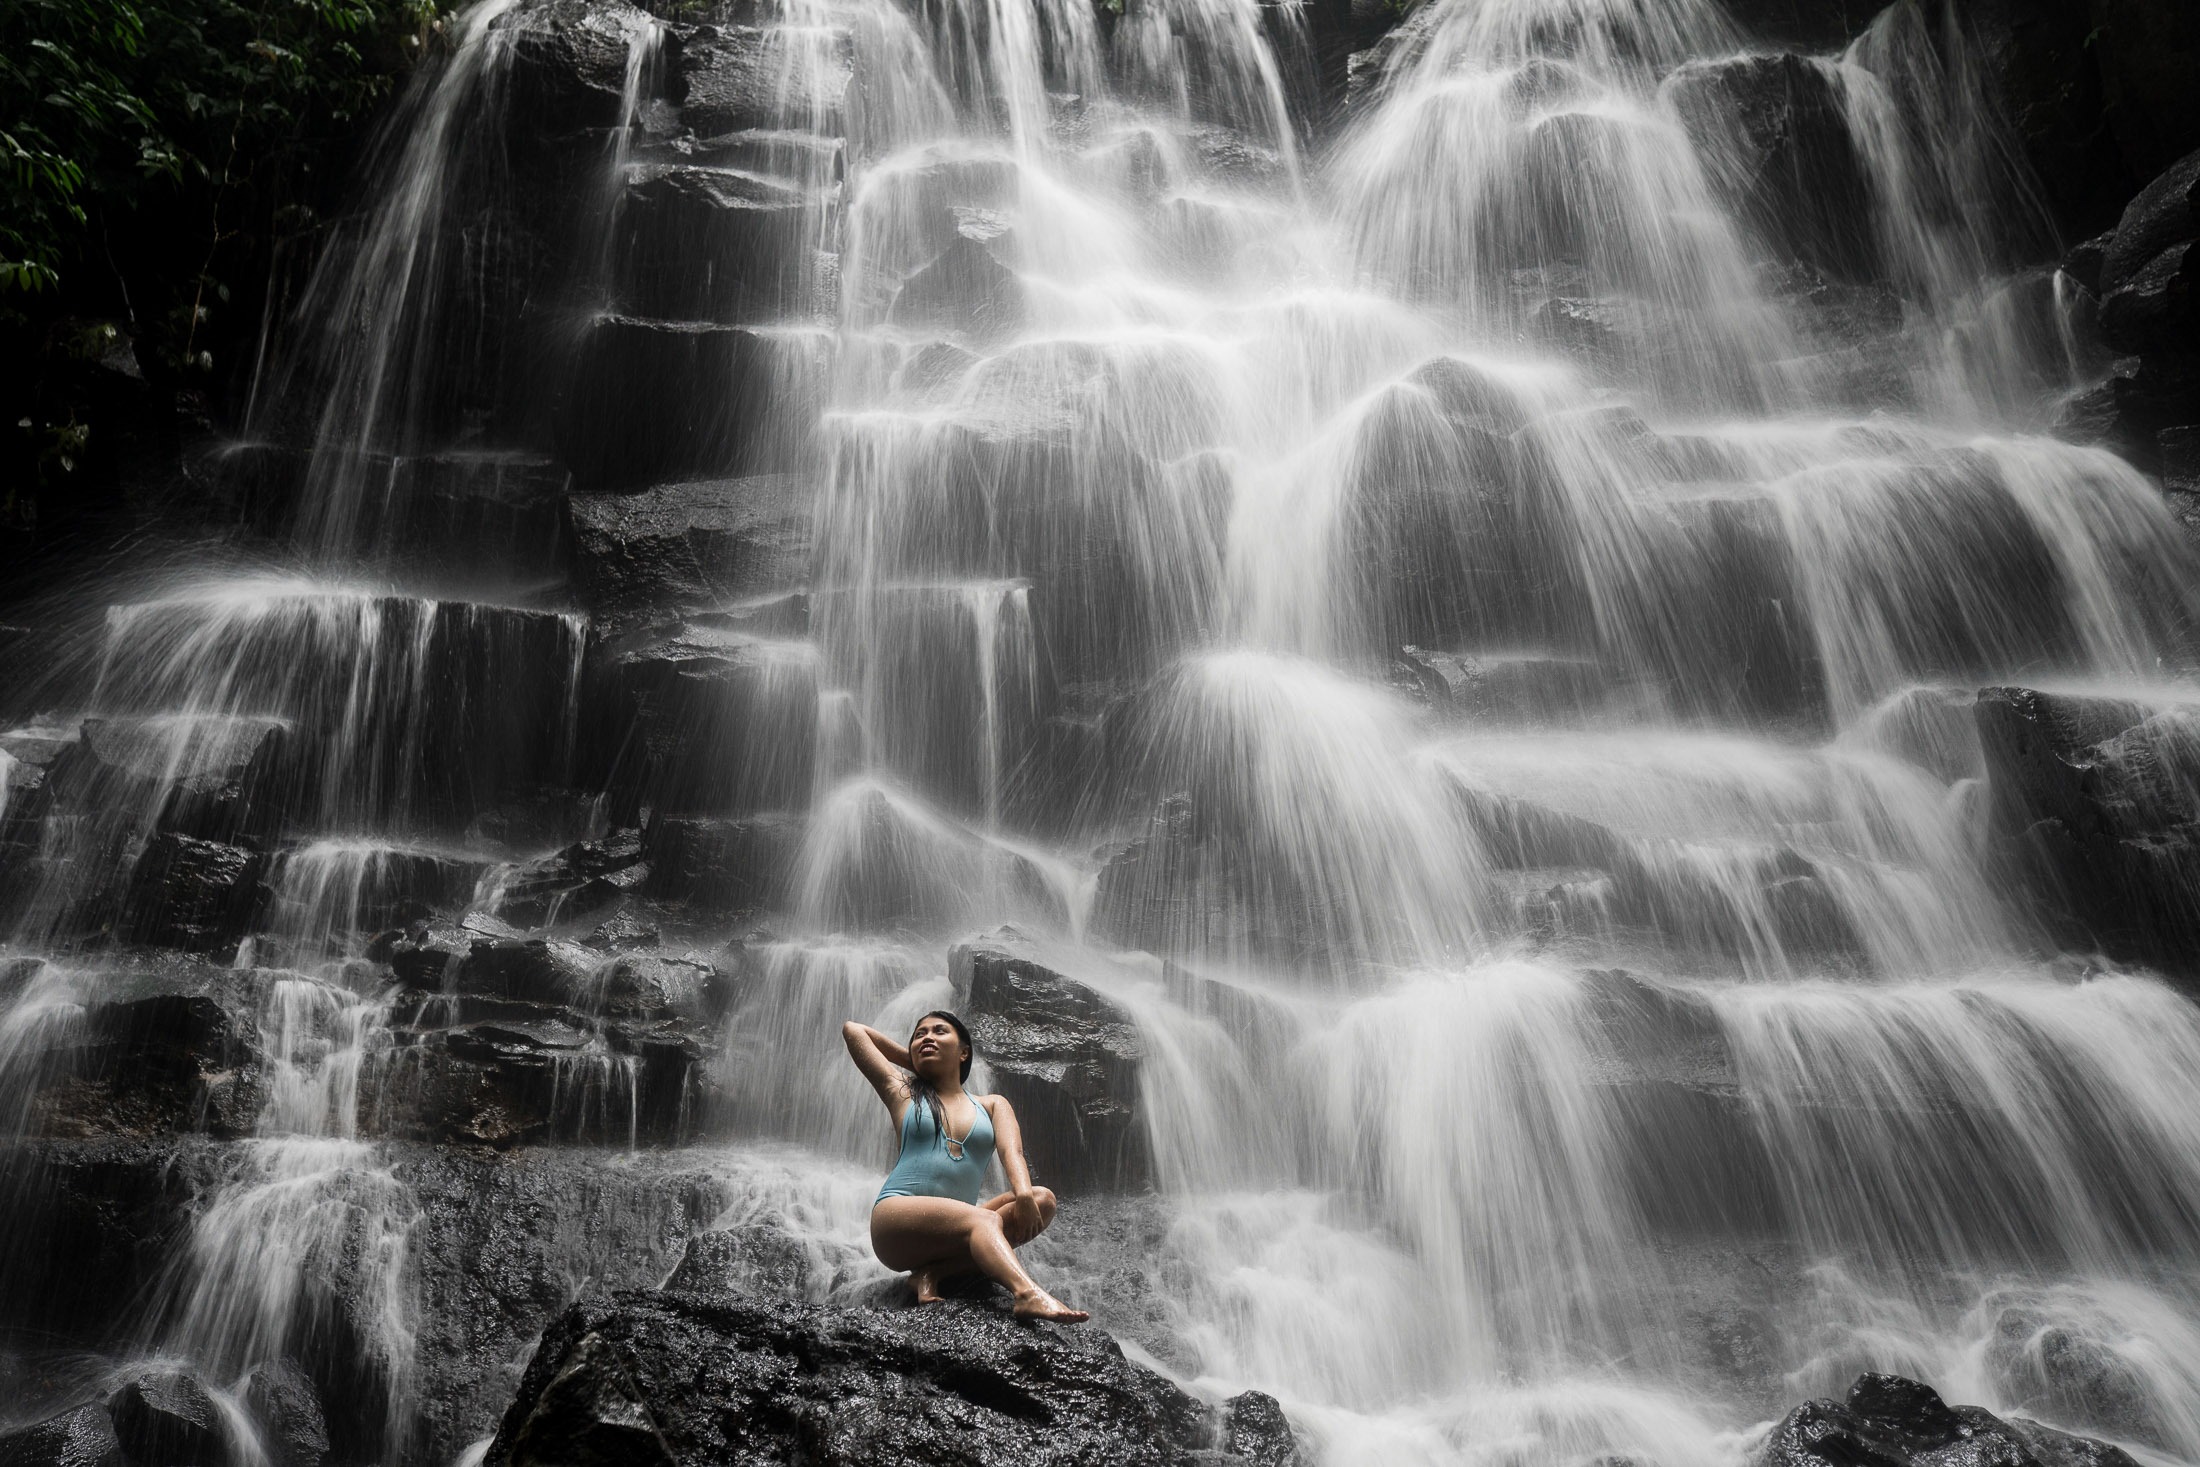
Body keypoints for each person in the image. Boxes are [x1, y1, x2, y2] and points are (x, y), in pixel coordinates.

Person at [843, 1010, 1089, 1321]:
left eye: (939, 1031)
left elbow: (1011, 1151)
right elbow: (854, 1030)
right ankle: (1027, 1294)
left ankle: (932, 1273)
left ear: (964, 1052)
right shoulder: (903, 1092)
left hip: (954, 1230)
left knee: (1043, 1200)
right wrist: (920, 1061)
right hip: (897, 1219)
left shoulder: (992, 1104)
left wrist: (1023, 1194)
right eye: (919, 1035)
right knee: (984, 1222)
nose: (927, 1037)